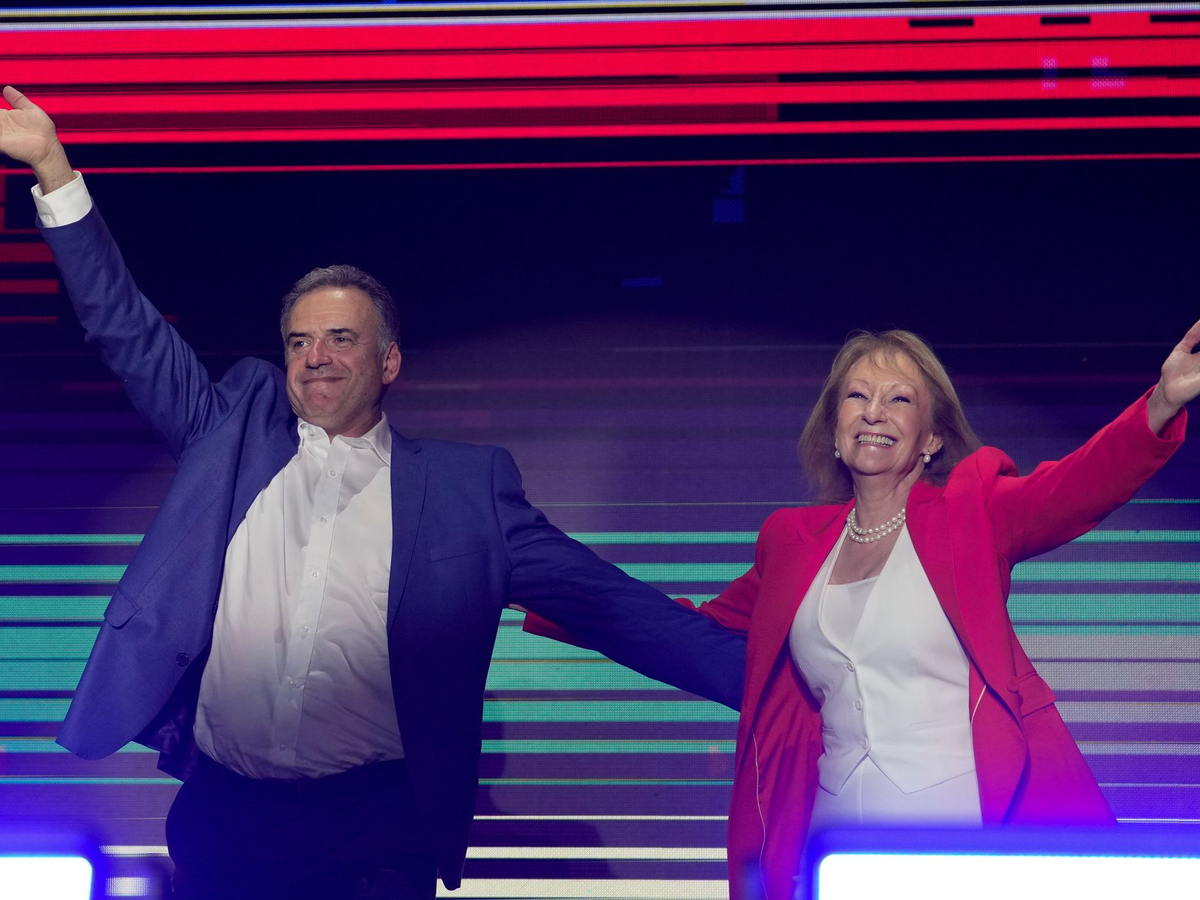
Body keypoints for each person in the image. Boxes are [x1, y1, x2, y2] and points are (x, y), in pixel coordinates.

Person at [0, 86, 747, 900]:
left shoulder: (465, 492)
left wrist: (780, 685)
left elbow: (617, 612)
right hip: (226, 815)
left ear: (388, 362)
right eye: (299, 341)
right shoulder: (230, 436)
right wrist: (53, 167)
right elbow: (124, 327)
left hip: (373, 830)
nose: (315, 356)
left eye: (340, 339)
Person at [528, 326, 1197, 900]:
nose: (874, 411)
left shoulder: (972, 513)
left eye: (899, 399)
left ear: (931, 439)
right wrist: (543, 588)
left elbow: (1075, 486)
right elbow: (690, 631)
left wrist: (1161, 402)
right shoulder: (792, 542)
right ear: (834, 428)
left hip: (964, 828)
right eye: (857, 396)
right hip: (837, 837)